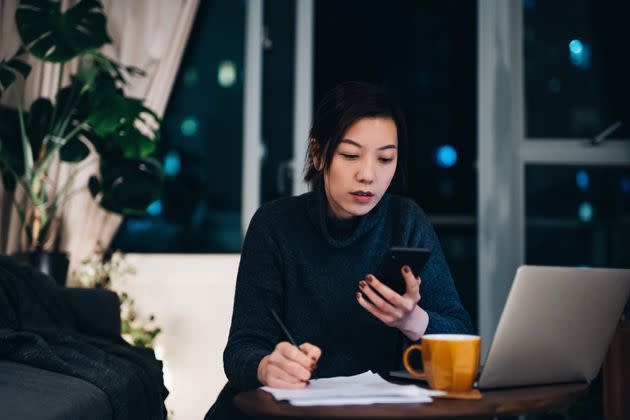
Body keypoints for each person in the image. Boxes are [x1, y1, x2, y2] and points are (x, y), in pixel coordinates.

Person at [205, 81, 473, 419]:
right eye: (350, 155)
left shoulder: (406, 222)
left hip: (372, 413)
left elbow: (462, 336)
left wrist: (412, 320)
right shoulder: (274, 226)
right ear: (318, 154)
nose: (367, 175)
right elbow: (242, 348)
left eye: (385, 158)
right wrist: (266, 367)